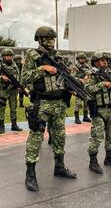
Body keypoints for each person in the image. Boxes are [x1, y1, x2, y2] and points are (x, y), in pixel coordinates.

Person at [23, 26, 76, 192]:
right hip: (41, 104)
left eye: (52, 39)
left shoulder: (58, 57)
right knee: (36, 138)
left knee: (60, 136)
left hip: (59, 103)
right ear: (39, 39)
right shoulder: (32, 56)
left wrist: (71, 87)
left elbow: (65, 78)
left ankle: (59, 166)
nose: (51, 42)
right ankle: (30, 174)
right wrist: (42, 68)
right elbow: (24, 78)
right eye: (47, 39)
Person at [86, 52, 111, 174]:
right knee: (97, 137)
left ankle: (109, 157)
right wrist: (102, 84)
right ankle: (93, 162)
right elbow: (87, 88)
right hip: (99, 109)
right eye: (102, 61)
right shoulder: (91, 74)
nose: (105, 62)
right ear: (95, 62)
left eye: (106, 60)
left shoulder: (110, 73)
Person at [0, 49, 23, 134]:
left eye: (10, 56)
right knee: (2, 108)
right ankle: (1, 127)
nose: (8, 57)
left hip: (13, 90)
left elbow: (18, 76)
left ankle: (14, 125)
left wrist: (18, 85)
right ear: (3, 57)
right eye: (6, 56)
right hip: (4, 90)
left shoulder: (15, 65)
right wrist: (1, 77)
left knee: (13, 108)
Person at [72, 52, 91, 124]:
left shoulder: (87, 67)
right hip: (78, 87)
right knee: (78, 103)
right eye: (81, 58)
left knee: (86, 102)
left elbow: (89, 74)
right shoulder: (75, 67)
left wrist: (88, 79)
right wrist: (80, 80)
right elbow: (72, 77)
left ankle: (85, 116)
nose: (82, 60)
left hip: (86, 87)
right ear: (78, 59)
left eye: (83, 58)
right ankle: (76, 118)